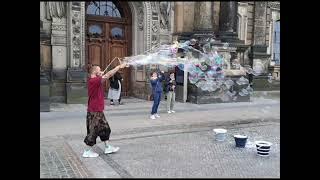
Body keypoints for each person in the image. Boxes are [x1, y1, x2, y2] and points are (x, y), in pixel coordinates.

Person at [82, 62, 127, 158]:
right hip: (94, 111)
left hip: (97, 110)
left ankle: (107, 147)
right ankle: (87, 151)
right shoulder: (94, 80)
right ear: (95, 72)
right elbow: (109, 74)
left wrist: (100, 74)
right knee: (93, 131)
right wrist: (118, 67)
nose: (101, 70)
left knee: (105, 129)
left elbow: (103, 76)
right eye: (99, 69)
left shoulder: (95, 79)